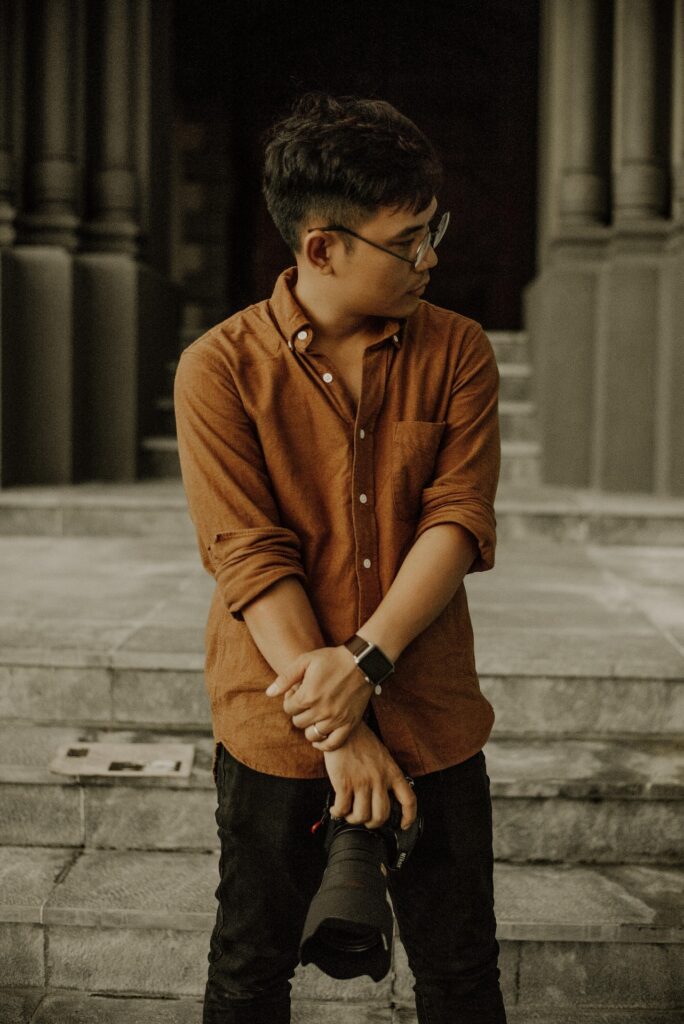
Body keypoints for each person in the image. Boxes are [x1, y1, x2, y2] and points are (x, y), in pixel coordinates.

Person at [174, 91, 507, 1024]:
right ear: (321, 247)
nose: (430, 256)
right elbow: (249, 554)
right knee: (248, 974)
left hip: (431, 715)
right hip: (277, 727)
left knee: (462, 976)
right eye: (408, 241)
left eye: (432, 229)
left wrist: (364, 664)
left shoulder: (459, 352)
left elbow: (456, 519)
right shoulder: (219, 367)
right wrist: (342, 729)